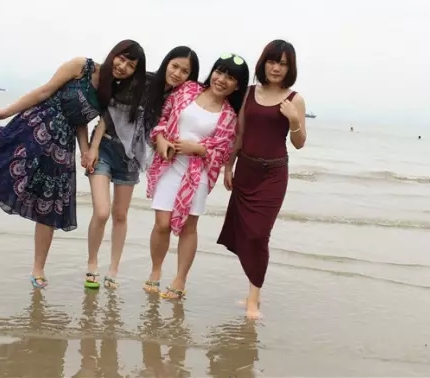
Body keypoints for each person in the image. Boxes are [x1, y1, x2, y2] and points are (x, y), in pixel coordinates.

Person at [0, 39, 146, 289]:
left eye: (130, 65)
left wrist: (85, 151)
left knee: (48, 205)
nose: (123, 66)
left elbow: (80, 121)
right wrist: (5, 112)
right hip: (37, 126)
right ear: (113, 54)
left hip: (62, 146)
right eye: (121, 59)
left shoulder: (110, 93)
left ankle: (38, 269)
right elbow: (44, 91)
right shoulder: (82, 66)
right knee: (14, 182)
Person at [83, 46, 199, 289]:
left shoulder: (178, 100)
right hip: (105, 147)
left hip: (131, 158)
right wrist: (92, 148)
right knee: (102, 211)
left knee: (120, 214)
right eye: (175, 66)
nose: (177, 73)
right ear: (166, 63)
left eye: (185, 71)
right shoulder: (143, 81)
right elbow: (109, 114)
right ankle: (92, 264)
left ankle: (113, 270)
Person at [144, 53, 249, 300]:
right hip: (169, 165)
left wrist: (199, 149)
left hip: (197, 173)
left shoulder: (229, 116)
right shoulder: (187, 89)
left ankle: (180, 279)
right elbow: (163, 116)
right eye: (219, 72)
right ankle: (156, 270)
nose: (221, 79)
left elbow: (223, 151)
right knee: (162, 224)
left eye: (230, 77)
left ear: (237, 86)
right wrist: (161, 139)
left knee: (189, 228)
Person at [217, 39, 307, 319]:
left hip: (273, 174)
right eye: (272, 61)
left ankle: (254, 298)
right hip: (246, 170)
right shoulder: (248, 93)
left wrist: (294, 120)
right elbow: (240, 133)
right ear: (263, 63)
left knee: (259, 235)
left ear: (290, 68)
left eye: (283, 63)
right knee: (244, 234)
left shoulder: (295, 99)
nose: (276, 68)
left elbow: (299, 143)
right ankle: (252, 293)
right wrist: (228, 166)